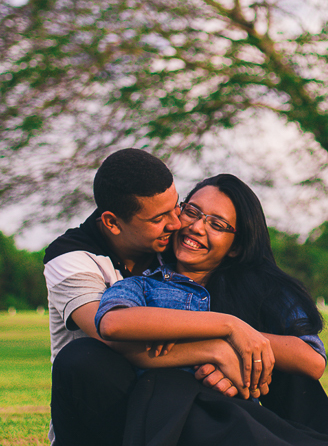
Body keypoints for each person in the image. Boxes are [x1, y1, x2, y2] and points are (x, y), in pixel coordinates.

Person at [95, 174, 328, 445]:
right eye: (192, 212)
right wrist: (226, 331)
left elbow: (312, 361)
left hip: (236, 412)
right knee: (171, 387)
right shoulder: (144, 285)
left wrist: (243, 345)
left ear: (237, 247)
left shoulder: (262, 291)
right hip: (169, 413)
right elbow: (112, 324)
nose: (197, 227)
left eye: (217, 224)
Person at [46, 147, 207, 446]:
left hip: (174, 401)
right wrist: (219, 344)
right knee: (83, 358)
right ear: (112, 222)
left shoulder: (175, 247)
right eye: (159, 218)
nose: (175, 223)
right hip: (104, 412)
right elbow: (112, 334)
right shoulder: (70, 257)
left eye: (177, 206)